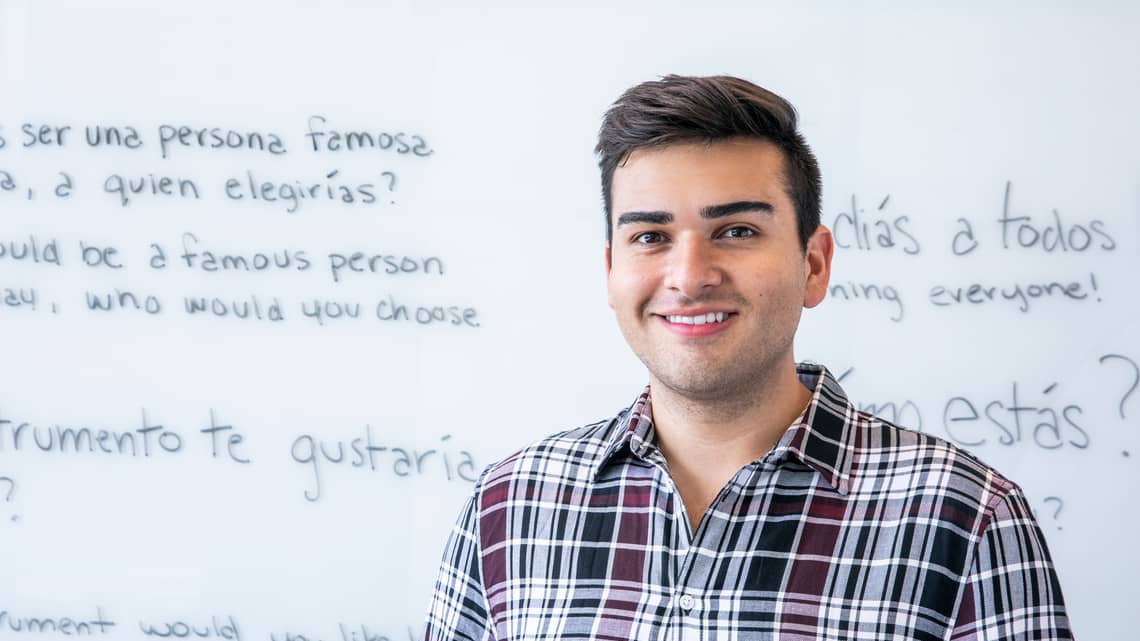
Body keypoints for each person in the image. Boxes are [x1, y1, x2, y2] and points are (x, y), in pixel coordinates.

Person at [424, 75, 1072, 640]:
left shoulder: (965, 518)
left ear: (813, 264)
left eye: (736, 231)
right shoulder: (508, 510)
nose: (689, 274)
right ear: (612, 270)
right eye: (650, 236)